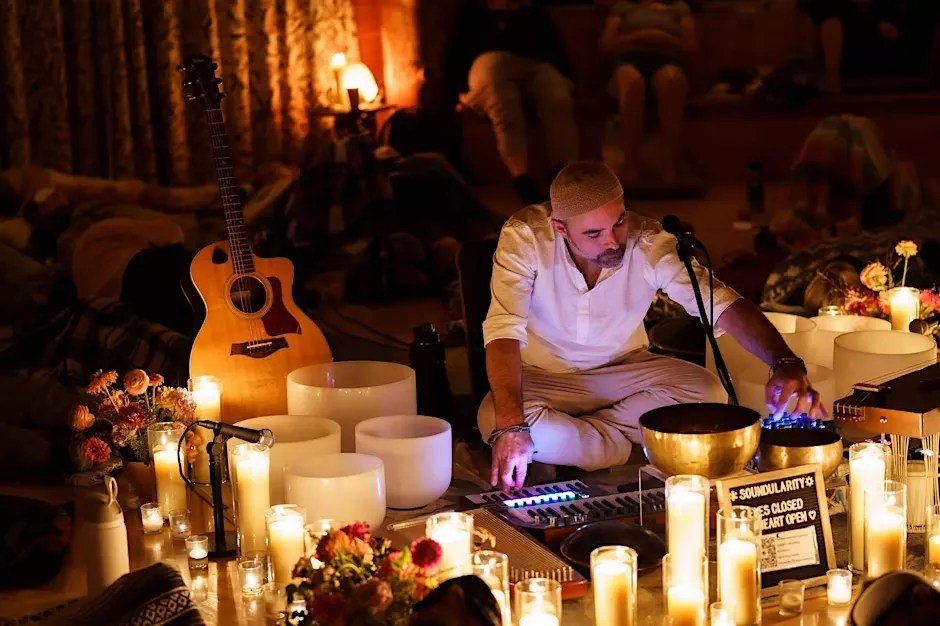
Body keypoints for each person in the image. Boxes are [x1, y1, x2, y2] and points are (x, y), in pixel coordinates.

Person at [478, 162, 825, 489]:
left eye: (618, 222)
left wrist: (785, 362)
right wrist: (512, 426)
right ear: (559, 228)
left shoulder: (648, 242)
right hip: (541, 377)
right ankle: (617, 446)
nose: (612, 241)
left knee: (708, 393)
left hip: (623, 374)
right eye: (594, 233)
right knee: (497, 419)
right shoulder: (525, 237)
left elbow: (720, 304)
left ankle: (572, 447)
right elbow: (502, 331)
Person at [445, 0, 579, 205]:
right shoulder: (473, 12)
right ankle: (521, 177)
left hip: (535, 64)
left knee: (557, 98)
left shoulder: (533, 11)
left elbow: (554, 49)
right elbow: (456, 54)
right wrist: (457, 92)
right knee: (503, 100)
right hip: (489, 64)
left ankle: (565, 175)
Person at [599, 0, 697, 185]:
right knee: (633, 83)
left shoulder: (678, 8)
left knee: (671, 80)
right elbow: (606, 44)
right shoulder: (623, 7)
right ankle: (630, 166)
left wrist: (665, 39)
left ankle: (669, 167)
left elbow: (690, 46)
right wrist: (637, 37)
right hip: (628, 60)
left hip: (667, 59)